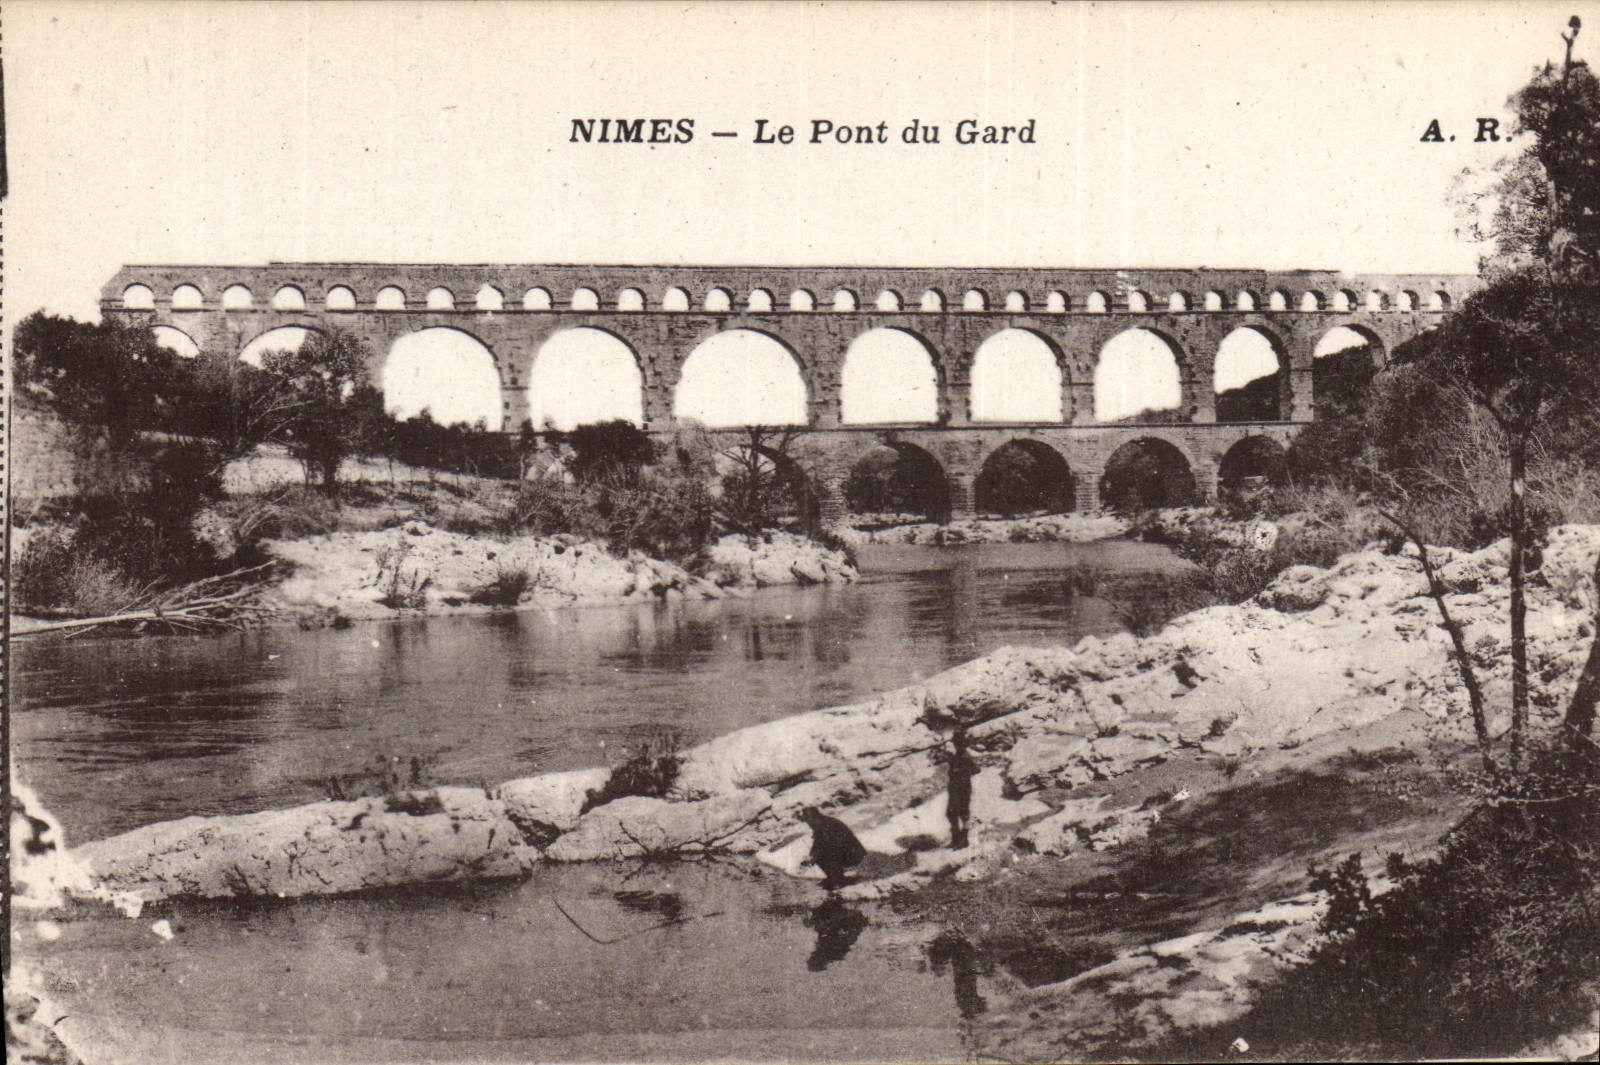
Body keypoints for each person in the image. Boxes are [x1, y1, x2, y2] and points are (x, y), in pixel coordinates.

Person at [798, 806, 866, 890]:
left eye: (809, 821)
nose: (809, 825)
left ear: (814, 818)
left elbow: (825, 846)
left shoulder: (826, 826)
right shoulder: (823, 824)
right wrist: (811, 856)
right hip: (847, 852)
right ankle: (835, 878)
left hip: (853, 854)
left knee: (824, 856)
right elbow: (817, 844)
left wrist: (813, 858)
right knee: (822, 855)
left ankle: (838, 880)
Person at [945, 728, 976, 849]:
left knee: (963, 814)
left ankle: (964, 839)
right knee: (951, 813)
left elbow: (975, 769)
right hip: (955, 789)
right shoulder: (956, 756)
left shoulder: (965, 757)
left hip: (962, 789)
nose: (955, 744)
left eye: (956, 742)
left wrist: (959, 772)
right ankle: (956, 838)